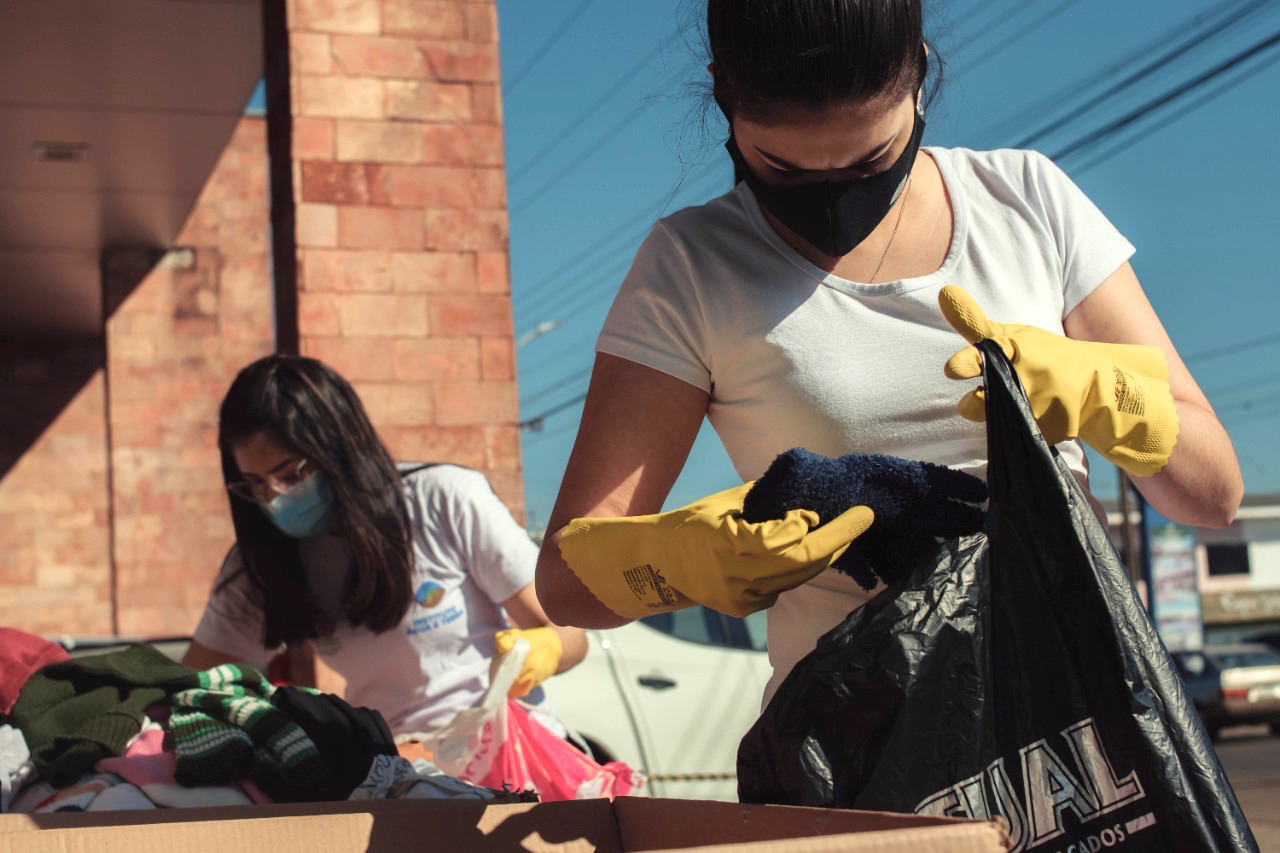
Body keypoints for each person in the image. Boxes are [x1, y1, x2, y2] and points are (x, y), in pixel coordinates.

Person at [535, 0, 1242, 708]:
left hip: (1079, 721)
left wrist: (1111, 398)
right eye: (783, 167)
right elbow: (565, 581)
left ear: (921, 76)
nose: (836, 196)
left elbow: (1215, 493)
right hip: (859, 751)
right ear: (723, 94)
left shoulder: (1027, 200)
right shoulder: (692, 265)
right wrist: (680, 558)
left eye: (873, 159)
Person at [183, 354, 586, 736]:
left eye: (290, 474)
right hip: (400, 772)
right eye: (254, 485)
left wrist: (544, 648)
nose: (274, 498)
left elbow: (571, 638)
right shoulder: (265, 563)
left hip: (507, 748)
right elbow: (194, 692)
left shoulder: (443, 500)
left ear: (341, 446)